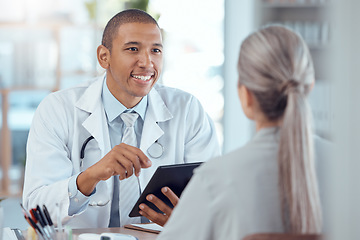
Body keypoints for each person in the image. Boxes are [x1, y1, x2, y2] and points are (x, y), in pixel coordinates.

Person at [22, 9, 220, 229]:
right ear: (103, 57)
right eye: (133, 49)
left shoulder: (187, 109)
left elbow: (214, 197)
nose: (147, 62)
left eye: (156, 50)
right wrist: (90, 177)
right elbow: (36, 209)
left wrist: (185, 219)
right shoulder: (57, 109)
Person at [157, 25, 329, 240]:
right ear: (309, 87)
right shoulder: (350, 167)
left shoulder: (215, 180)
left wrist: (183, 220)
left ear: (245, 95)